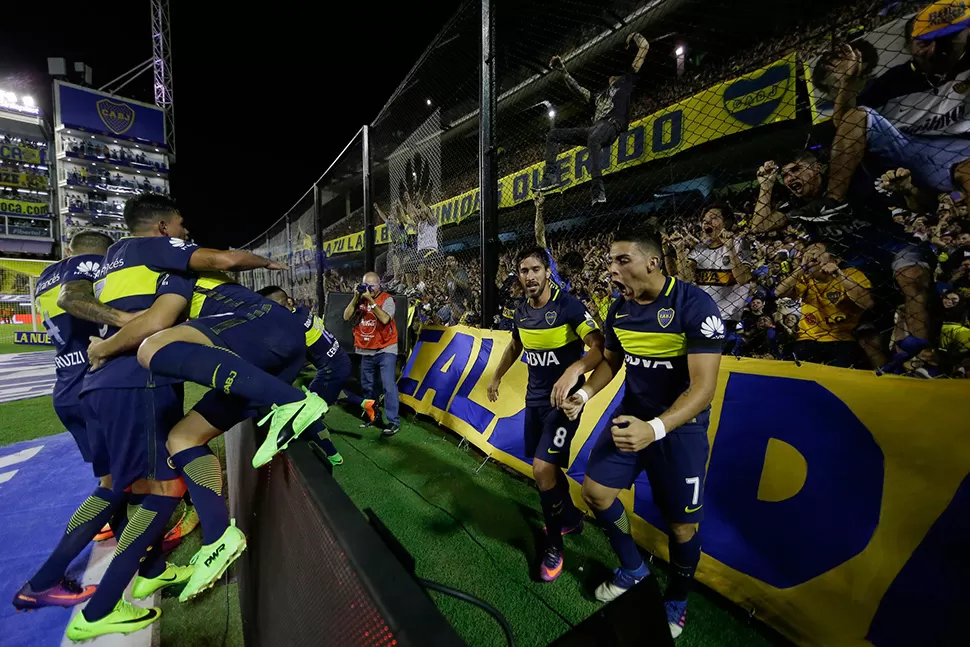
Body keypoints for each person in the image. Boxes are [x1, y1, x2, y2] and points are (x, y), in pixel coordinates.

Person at [85, 193, 329, 603]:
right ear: (164, 228)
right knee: (181, 438)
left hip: (261, 331)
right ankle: (219, 537)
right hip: (263, 350)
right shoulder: (165, 257)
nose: (186, 233)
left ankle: (292, 402)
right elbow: (221, 262)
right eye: (181, 224)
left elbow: (156, 322)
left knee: (151, 348)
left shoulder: (153, 267)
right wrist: (262, 261)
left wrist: (103, 348)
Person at [561, 225, 724, 640]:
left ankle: (677, 599)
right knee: (595, 493)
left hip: (678, 428)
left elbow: (703, 388)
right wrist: (585, 393)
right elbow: (612, 363)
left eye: (622, 260)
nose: (612, 270)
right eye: (609, 262)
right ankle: (633, 569)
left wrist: (656, 428)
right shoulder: (619, 310)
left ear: (652, 262)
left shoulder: (695, 304)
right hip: (632, 418)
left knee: (682, 529)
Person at [11, 231, 137, 613]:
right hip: (92, 388)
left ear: (68, 250)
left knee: (108, 477)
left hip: (65, 388)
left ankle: (120, 531)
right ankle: (42, 582)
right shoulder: (92, 269)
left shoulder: (48, 275)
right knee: (118, 483)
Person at [487, 246, 604, 582]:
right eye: (524, 271)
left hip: (564, 404)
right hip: (535, 401)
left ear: (548, 271)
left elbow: (599, 347)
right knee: (547, 472)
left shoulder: (568, 305)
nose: (530, 276)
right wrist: (497, 376)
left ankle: (554, 546)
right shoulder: (520, 310)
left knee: (541, 471)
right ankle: (569, 519)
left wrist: (575, 371)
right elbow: (515, 346)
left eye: (536, 269)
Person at [257, 285, 379, 465]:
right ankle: (364, 403)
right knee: (326, 391)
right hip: (337, 361)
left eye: (274, 306)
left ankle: (333, 455)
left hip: (332, 368)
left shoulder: (292, 327)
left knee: (308, 413)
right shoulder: (300, 311)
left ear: (287, 302)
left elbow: (291, 359)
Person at [541, 32, 650, 204]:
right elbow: (577, 88)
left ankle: (598, 191)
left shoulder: (626, 82)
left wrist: (634, 36)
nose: (612, 77)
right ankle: (550, 176)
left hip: (610, 125)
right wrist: (563, 70)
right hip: (594, 128)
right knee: (553, 134)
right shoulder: (598, 96)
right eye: (611, 76)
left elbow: (644, 47)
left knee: (593, 137)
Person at [343, 271, 400, 436]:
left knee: (388, 385)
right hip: (365, 349)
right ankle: (373, 416)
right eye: (365, 285)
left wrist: (370, 300)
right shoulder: (359, 299)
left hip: (386, 348)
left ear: (379, 285)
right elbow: (346, 317)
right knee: (367, 386)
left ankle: (393, 421)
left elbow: (385, 319)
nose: (368, 288)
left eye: (371, 286)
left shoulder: (387, 299)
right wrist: (355, 298)